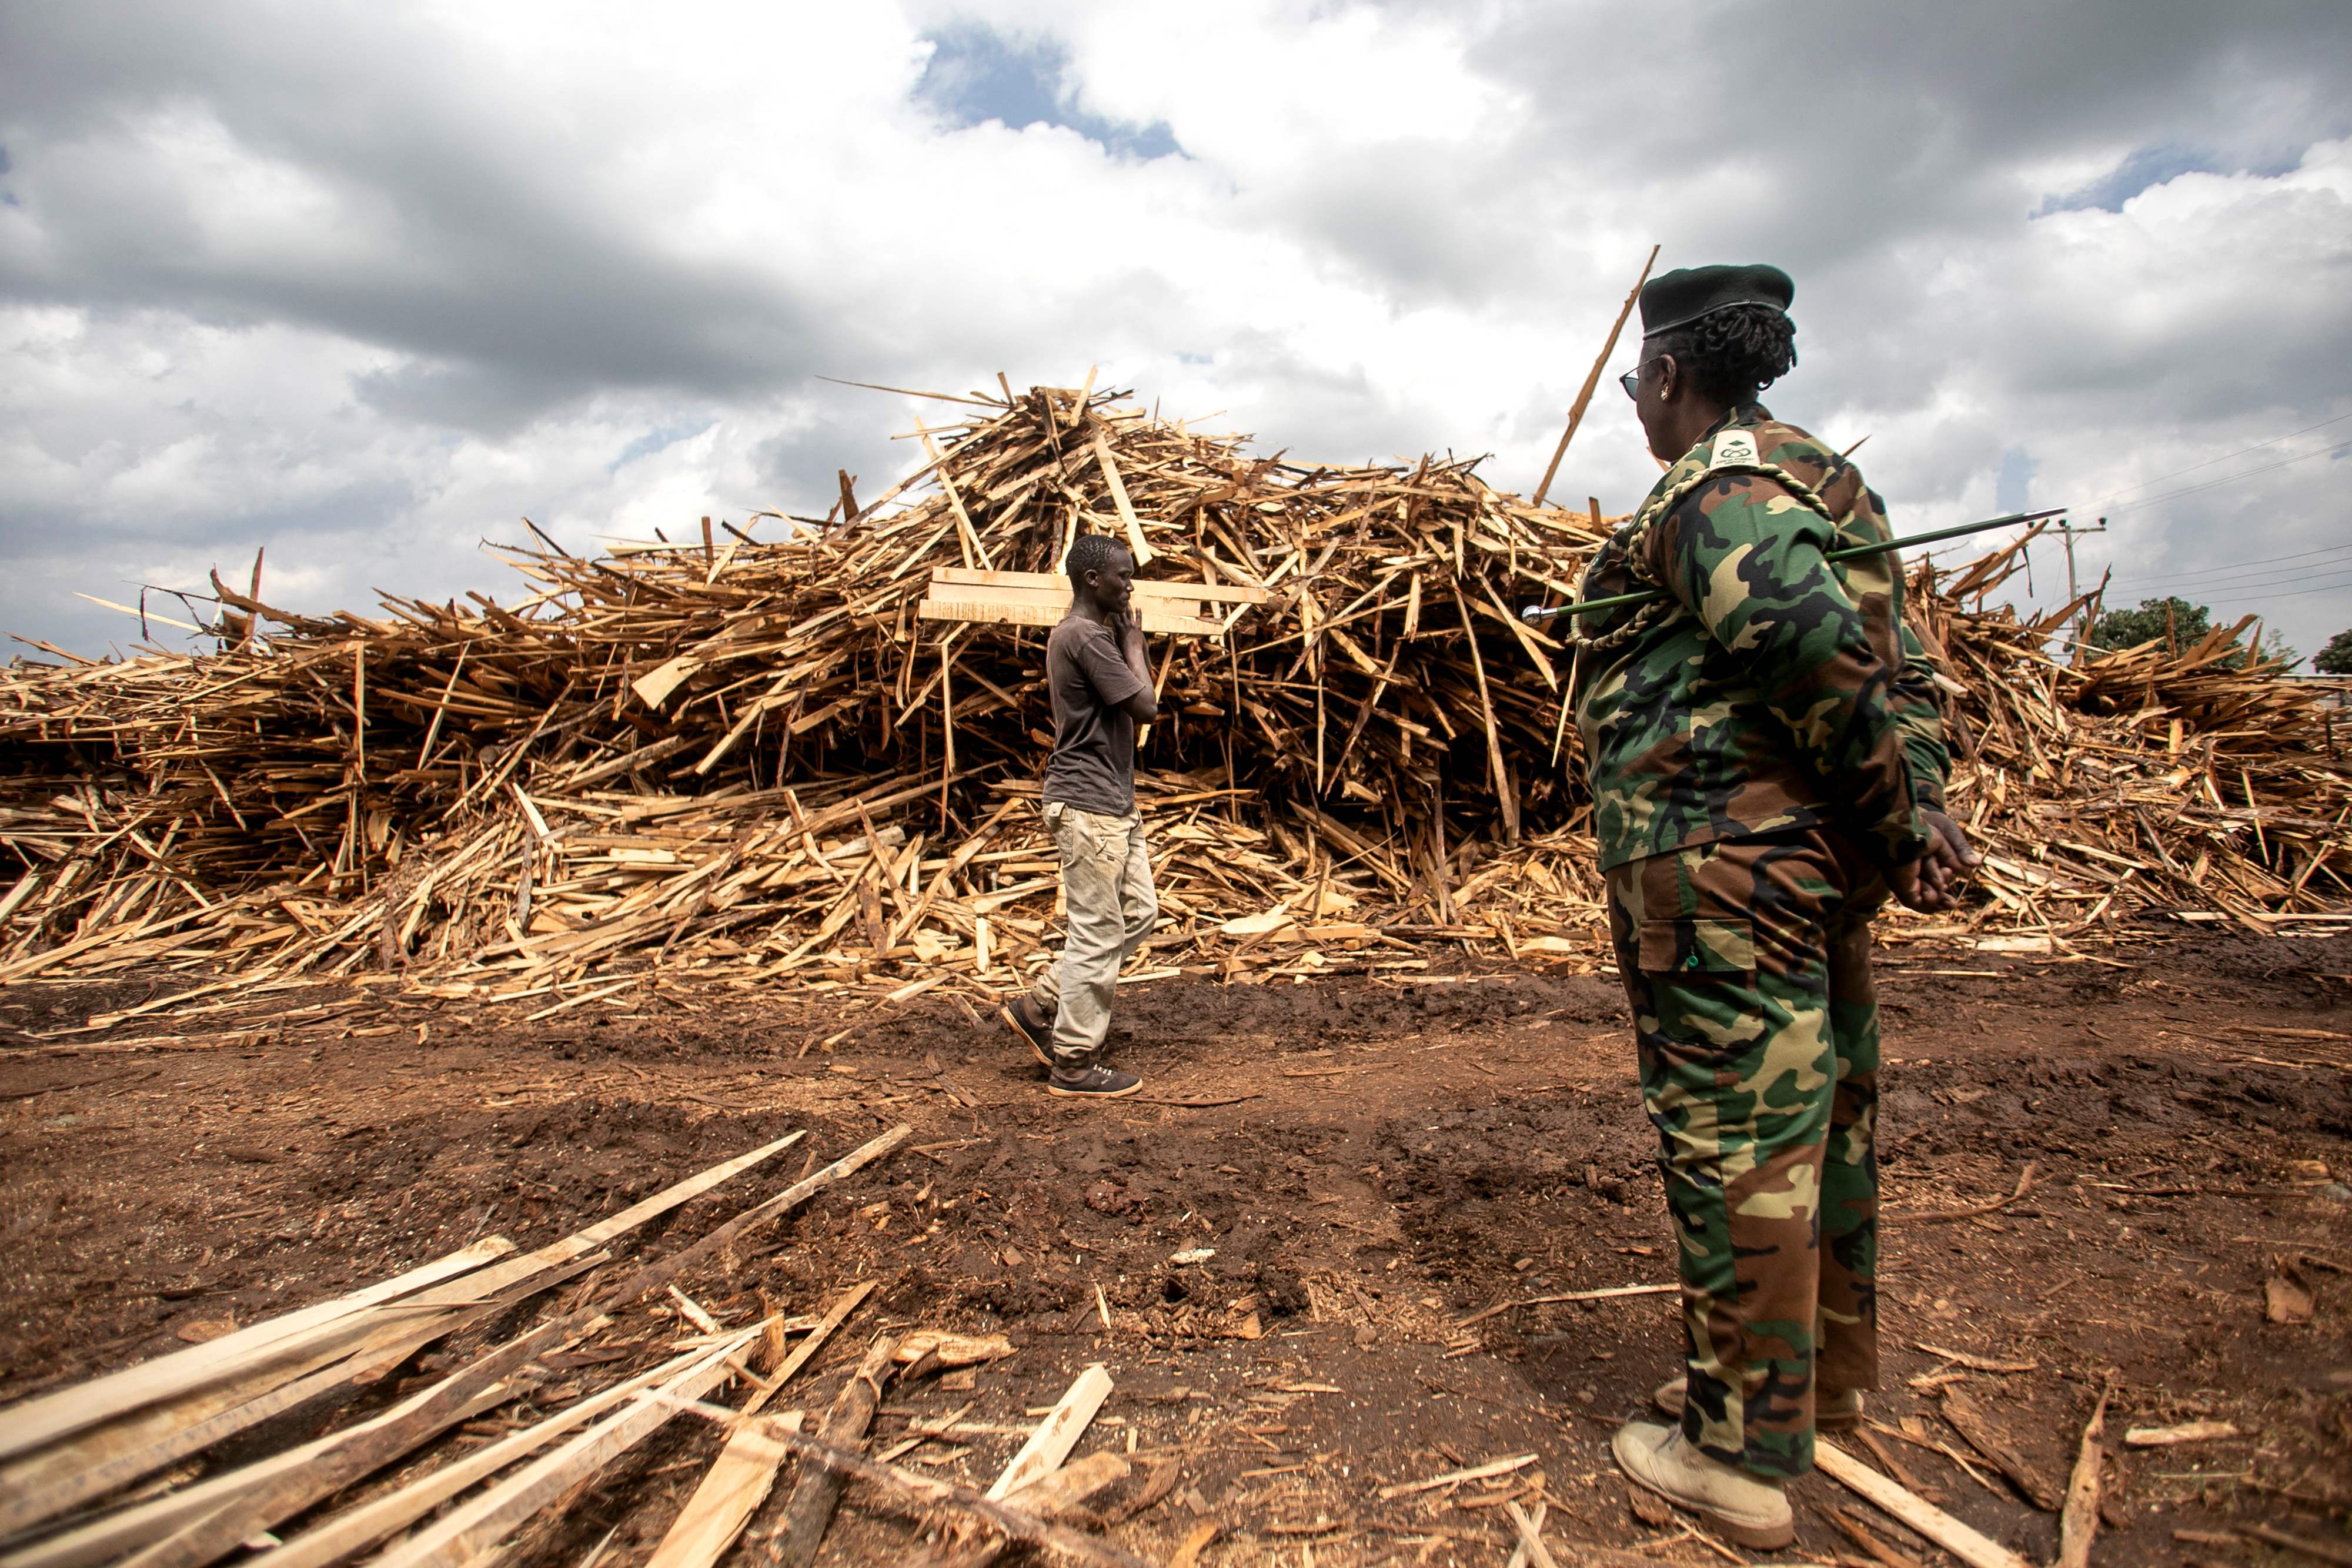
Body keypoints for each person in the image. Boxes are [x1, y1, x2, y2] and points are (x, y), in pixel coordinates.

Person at [1566, 263, 1979, 1549]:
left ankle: (1734, 1455)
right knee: (1824, 1128)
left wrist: (1902, 821)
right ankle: (1813, 1388)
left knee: (1737, 1147)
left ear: (1667, 374)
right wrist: (1907, 805)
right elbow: (1908, 677)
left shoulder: (1715, 489)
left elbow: (1806, 646)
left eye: (1637, 384)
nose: (1637, 405)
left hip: (1721, 876)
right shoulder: (1825, 482)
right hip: (1805, 867)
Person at [995, 533, 1160, 1099]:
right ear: (1093, 580)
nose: (1130, 586)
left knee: (1139, 913)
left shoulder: (1088, 635)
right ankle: (1072, 1062)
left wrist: (1125, 641)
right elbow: (1146, 706)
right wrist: (1135, 643)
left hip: (1112, 802)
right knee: (1099, 930)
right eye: (1123, 576)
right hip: (1089, 804)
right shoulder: (1086, 637)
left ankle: (1038, 1006)